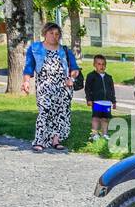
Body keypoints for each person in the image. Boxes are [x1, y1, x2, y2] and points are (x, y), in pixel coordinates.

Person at [21, 22, 80, 153]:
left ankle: (56, 140)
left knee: (60, 113)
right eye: (51, 33)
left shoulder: (64, 50)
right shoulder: (35, 48)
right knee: (44, 110)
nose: (54, 36)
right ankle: (39, 141)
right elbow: (29, 67)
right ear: (44, 34)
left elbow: (75, 69)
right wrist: (25, 82)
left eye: (57, 34)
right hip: (44, 85)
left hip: (63, 86)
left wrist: (72, 78)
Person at [84, 54, 117, 142]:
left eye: (103, 64)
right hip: (97, 101)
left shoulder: (109, 77)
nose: (101, 66)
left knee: (105, 119)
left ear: (105, 65)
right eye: (99, 64)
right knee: (96, 118)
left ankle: (105, 134)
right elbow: (88, 88)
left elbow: (112, 90)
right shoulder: (91, 76)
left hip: (106, 102)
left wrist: (113, 101)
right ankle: (94, 134)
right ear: (94, 65)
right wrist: (89, 99)